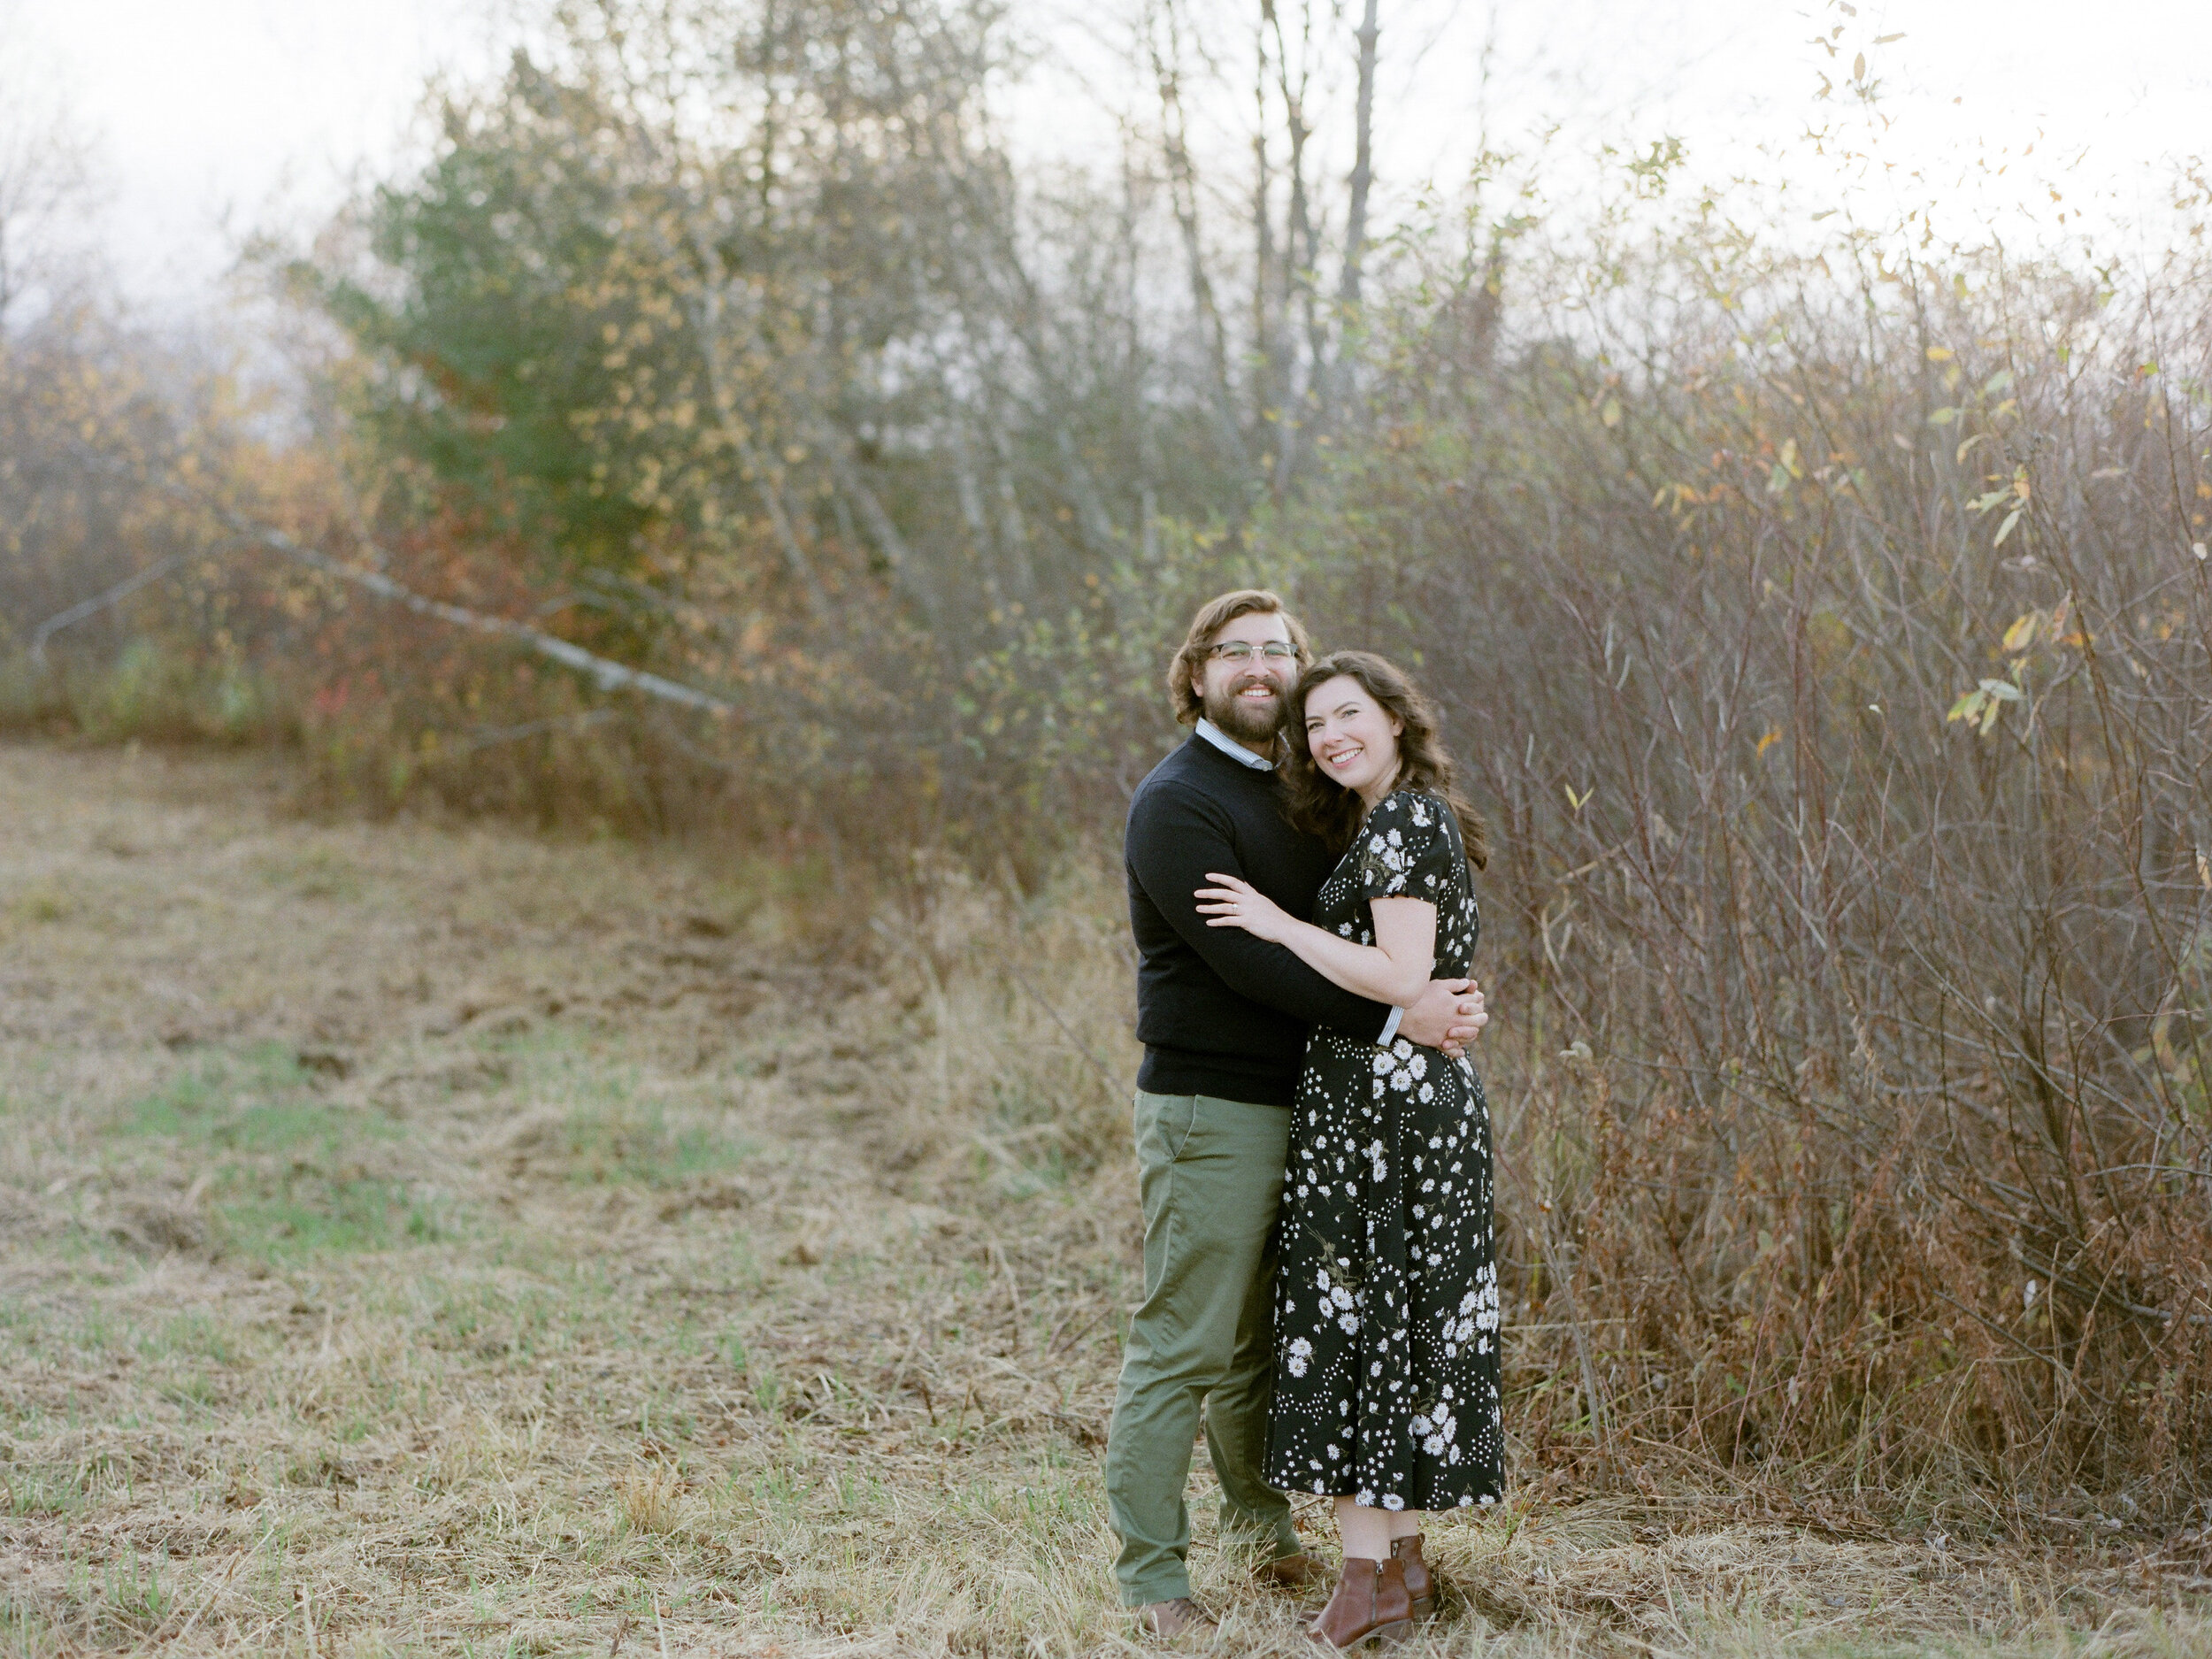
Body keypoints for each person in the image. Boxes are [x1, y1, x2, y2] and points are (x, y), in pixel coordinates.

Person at [1109, 593, 1488, 1640]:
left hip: (1329, 1111)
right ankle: (1151, 1580)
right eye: (1236, 653)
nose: (1261, 669)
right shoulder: (1178, 802)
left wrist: (1436, 993)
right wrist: (1406, 1014)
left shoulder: (1309, 794)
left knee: (1270, 1344)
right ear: (1196, 675)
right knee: (1185, 1342)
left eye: (1279, 651)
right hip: (1212, 1107)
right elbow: (1251, 964)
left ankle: (1263, 1536)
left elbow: (1385, 927)